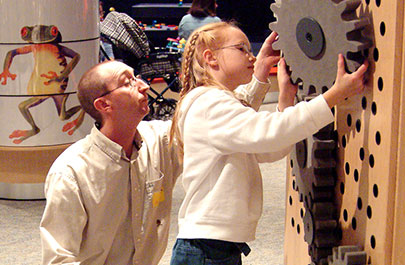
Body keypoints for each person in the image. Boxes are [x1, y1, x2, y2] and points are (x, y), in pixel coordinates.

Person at [39, 30, 279, 264]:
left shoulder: (159, 141)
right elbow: (58, 258)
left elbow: (229, 122)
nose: (143, 85)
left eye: (137, 77)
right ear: (104, 105)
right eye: (128, 83)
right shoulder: (71, 172)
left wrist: (259, 73)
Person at [169, 21, 368, 264]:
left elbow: (268, 148)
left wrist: (284, 97)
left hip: (215, 246)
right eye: (242, 49)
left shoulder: (212, 102)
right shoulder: (208, 103)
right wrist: (334, 95)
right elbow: (268, 133)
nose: (251, 56)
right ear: (211, 58)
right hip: (206, 249)